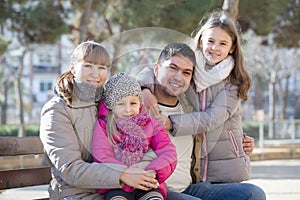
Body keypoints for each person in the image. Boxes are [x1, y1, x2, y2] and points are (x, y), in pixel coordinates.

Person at [137, 42, 266, 200]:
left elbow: (215, 121)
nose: (178, 77)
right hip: (155, 191)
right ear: (156, 69)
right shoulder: (136, 106)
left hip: (189, 189)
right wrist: (142, 88)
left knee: (253, 194)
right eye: (173, 68)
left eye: (186, 73)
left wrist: (242, 142)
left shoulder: (191, 109)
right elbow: (120, 84)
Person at [39, 41, 160, 199]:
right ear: (73, 68)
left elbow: (142, 141)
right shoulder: (57, 109)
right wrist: (121, 174)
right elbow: (70, 169)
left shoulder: (113, 104)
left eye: (102, 68)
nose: (96, 74)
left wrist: (144, 169)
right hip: (78, 194)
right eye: (88, 65)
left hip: (122, 190)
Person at [92, 72, 177, 200]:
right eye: (120, 104)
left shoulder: (150, 124)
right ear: (110, 105)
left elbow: (169, 152)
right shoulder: (104, 125)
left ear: (140, 104)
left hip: (147, 182)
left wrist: (153, 171)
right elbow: (101, 155)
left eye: (133, 103)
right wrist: (126, 174)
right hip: (118, 185)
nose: (128, 110)